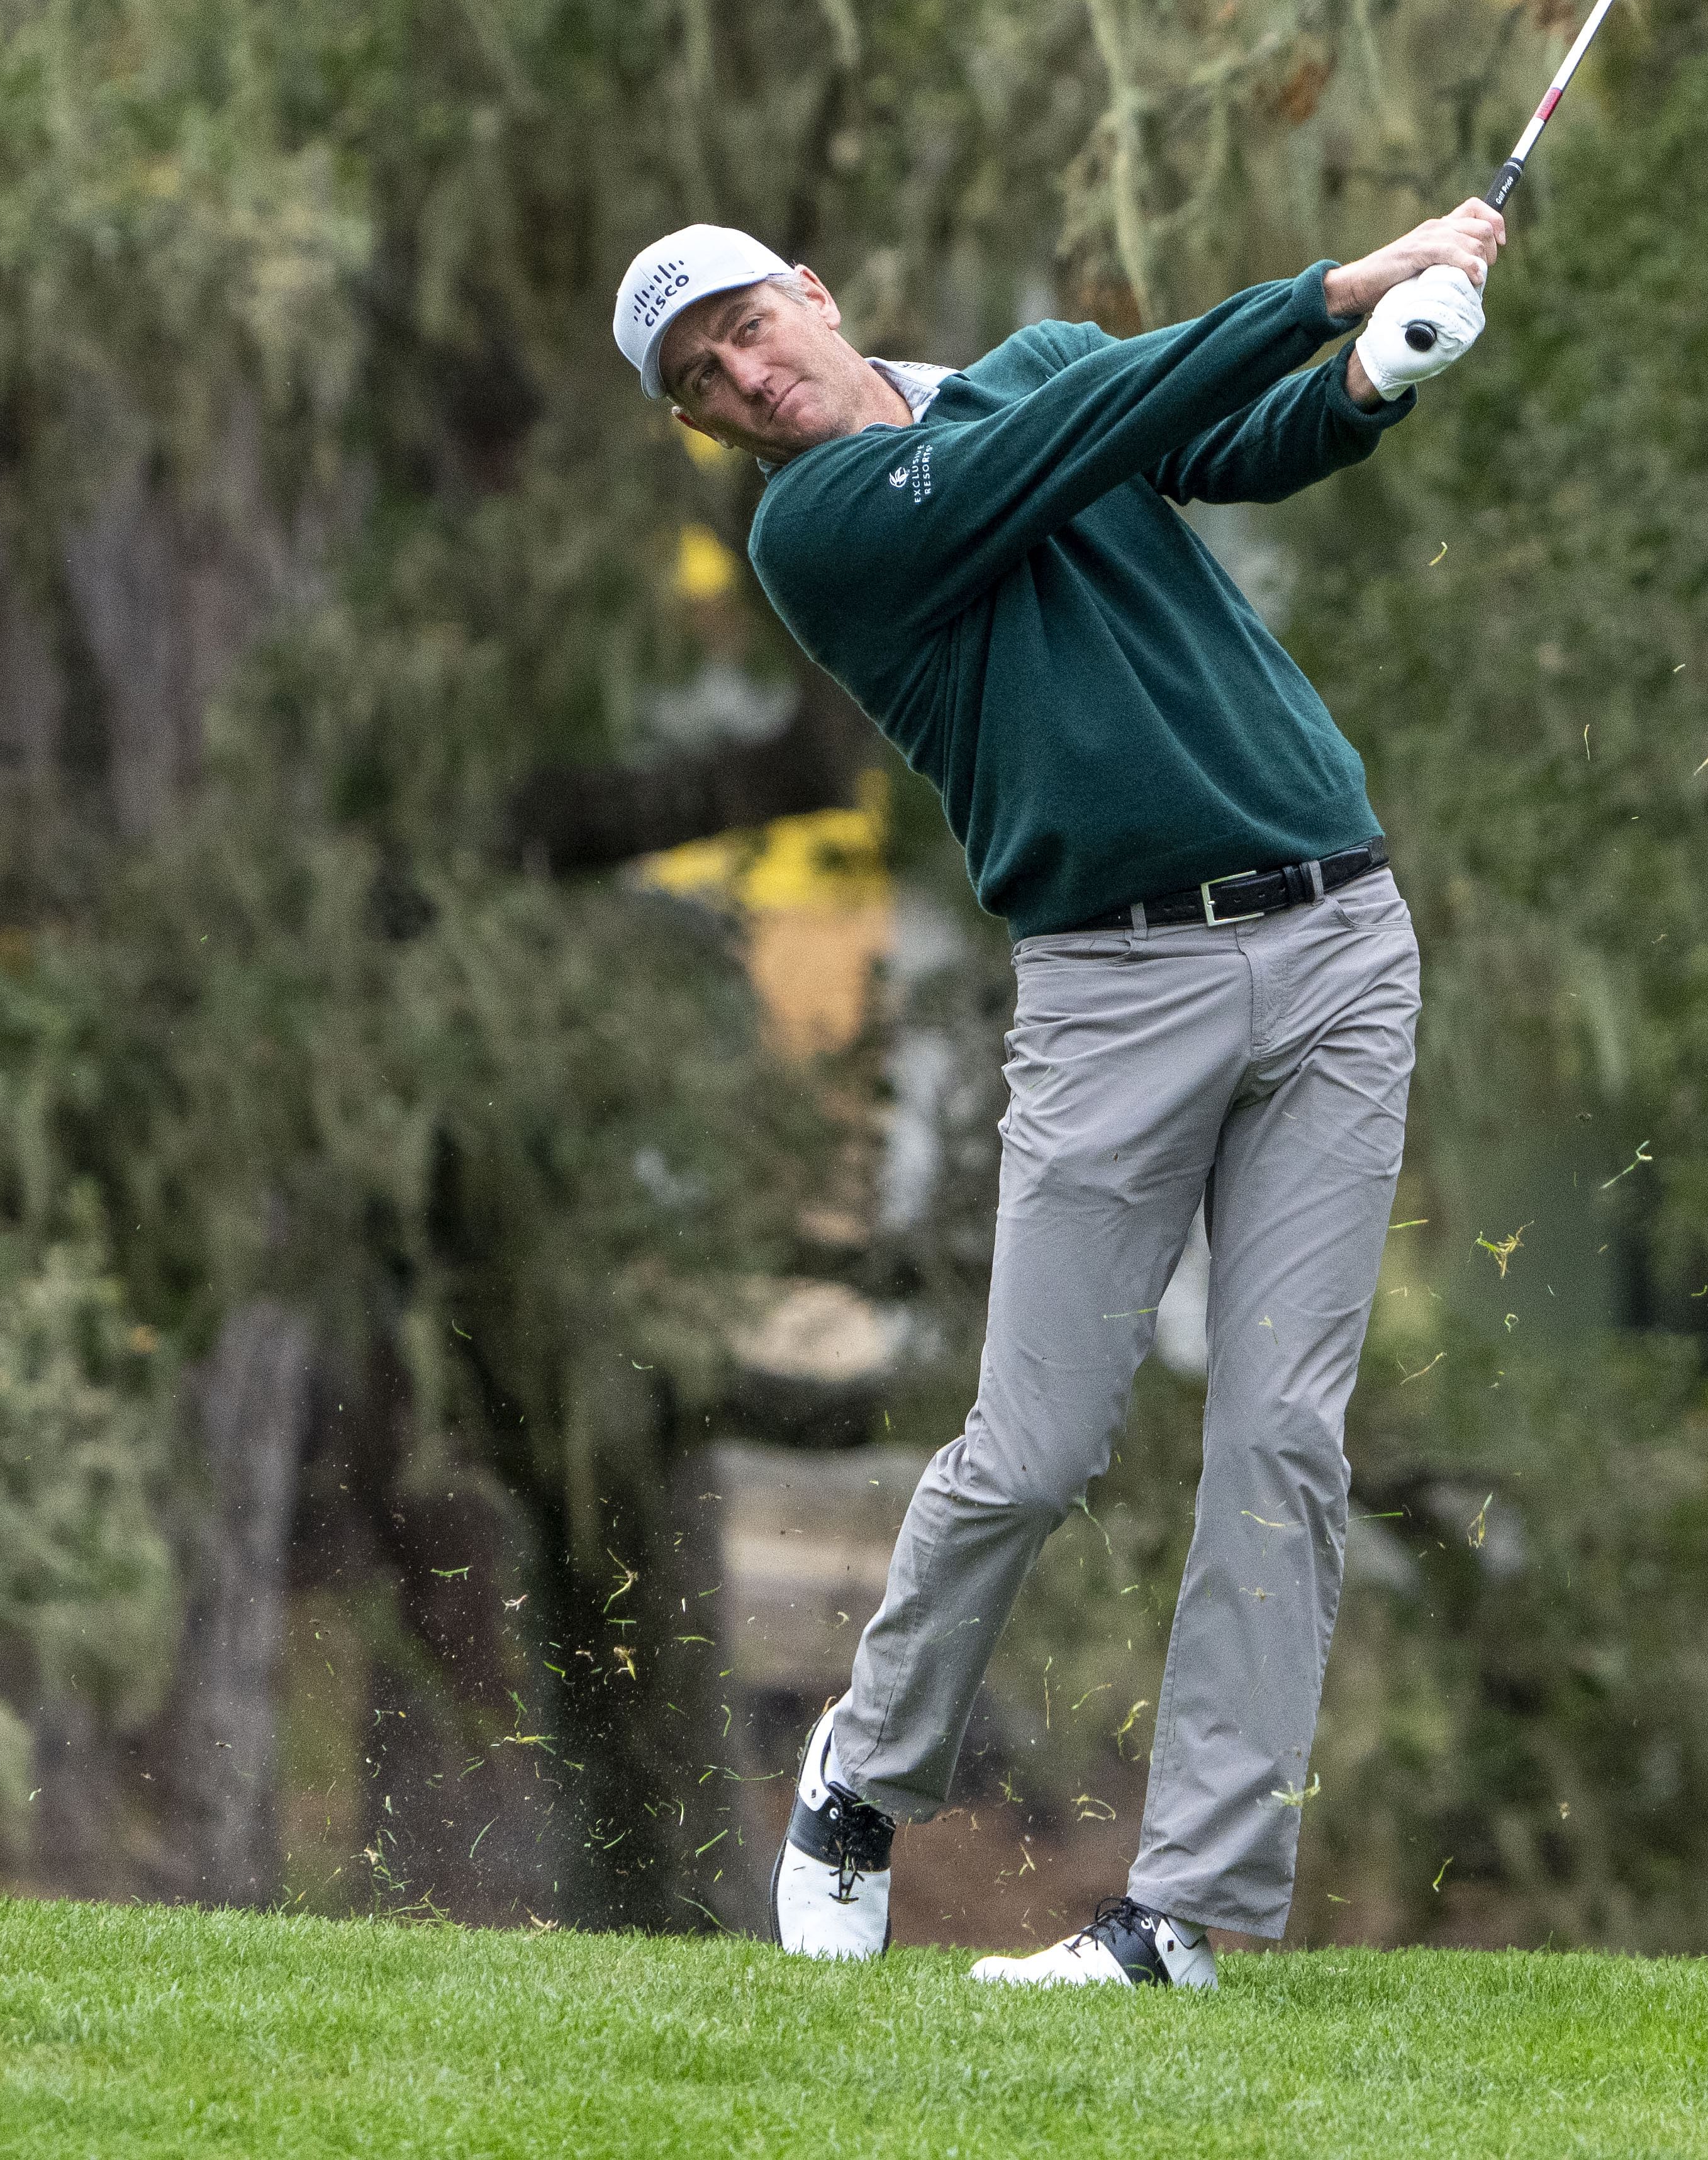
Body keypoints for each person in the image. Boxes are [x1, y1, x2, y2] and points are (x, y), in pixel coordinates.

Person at [608, 206, 1498, 1988]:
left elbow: (1237, 437)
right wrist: (1335, 281)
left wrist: (1379, 366)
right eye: (701, 382)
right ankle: (859, 1780)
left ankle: (1179, 1913)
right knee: (1031, 1450)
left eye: (740, 327)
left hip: (1336, 936)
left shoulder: (1033, 369)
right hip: (1114, 983)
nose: (741, 378)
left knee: (1284, 1439)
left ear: (814, 289)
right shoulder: (826, 530)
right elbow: (1079, 435)